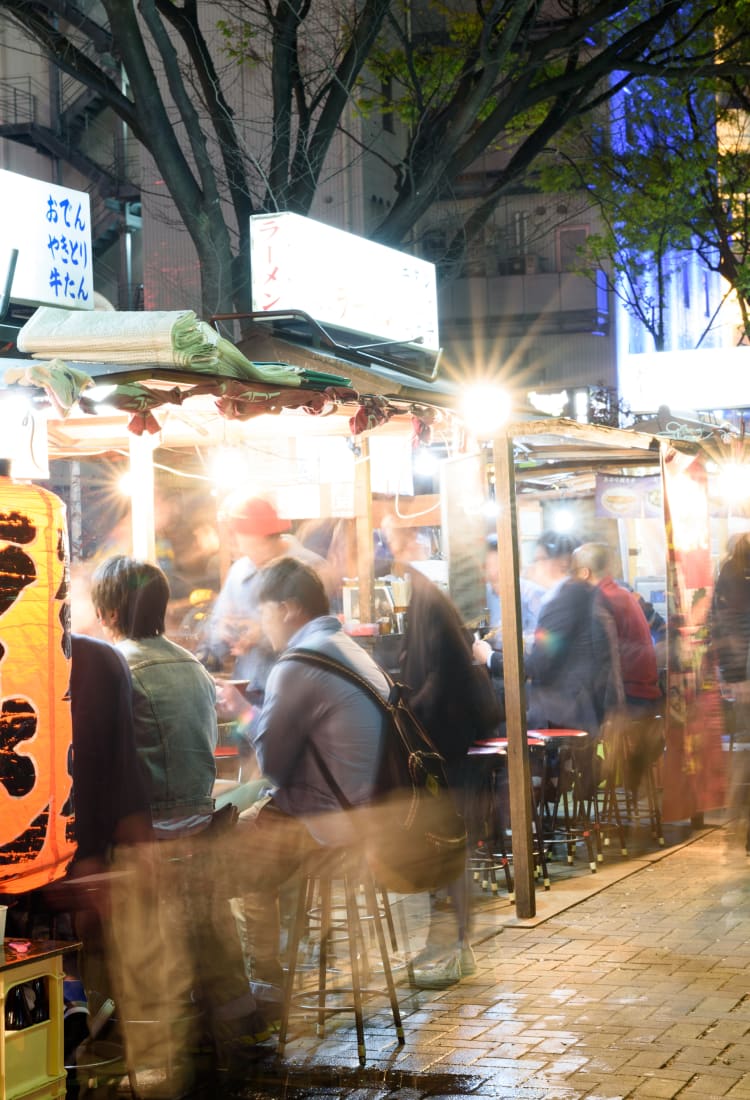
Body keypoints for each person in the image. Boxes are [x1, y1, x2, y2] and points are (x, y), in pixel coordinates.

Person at [89, 555, 256, 1093]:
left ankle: (117, 1048)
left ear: (109, 608)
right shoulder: (193, 666)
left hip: (151, 845)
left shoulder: (115, 666)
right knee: (213, 937)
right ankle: (234, 1047)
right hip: (204, 834)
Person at [216, 557, 389, 1011]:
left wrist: (239, 709)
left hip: (330, 823)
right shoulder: (348, 649)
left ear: (289, 608)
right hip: (370, 811)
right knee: (250, 809)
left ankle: (263, 984)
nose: (263, 623)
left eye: (266, 612)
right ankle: (285, 954)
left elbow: (273, 761)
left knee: (220, 846)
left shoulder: (297, 663)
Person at [395, 565, 500, 989]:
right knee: (444, 848)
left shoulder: (429, 606)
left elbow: (439, 681)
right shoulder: (429, 606)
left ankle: (455, 948)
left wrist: (405, 713)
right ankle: (451, 946)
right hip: (445, 746)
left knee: (448, 849)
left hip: (447, 749)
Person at [200, 495, 325, 695]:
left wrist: (264, 633)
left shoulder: (311, 568)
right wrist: (224, 633)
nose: (252, 557)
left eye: (256, 548)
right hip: (248, 689)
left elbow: (322, 630)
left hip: (295, 690)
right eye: (245, 549)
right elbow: (216, 628)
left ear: (272, 537)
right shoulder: (239, 571)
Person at [710, 532, 750, 849]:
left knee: (745, 751)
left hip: (742, 676)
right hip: (745, 674)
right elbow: (732, 626)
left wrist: (732, 674)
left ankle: (736, 821)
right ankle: (737, 822)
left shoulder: (729, 575)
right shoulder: (735, 577)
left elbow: (722, 626)